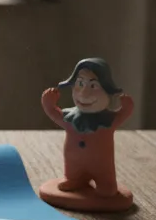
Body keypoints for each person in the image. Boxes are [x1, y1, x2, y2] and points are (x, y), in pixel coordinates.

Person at [41, 57, 134, 199]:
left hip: (102, 166)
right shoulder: (70, 118)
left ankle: (105, 183)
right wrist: (48, 104)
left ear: (107, 89)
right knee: (72, 175)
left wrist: (127, 107)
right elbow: (55, 114)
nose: (83, 94)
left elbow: (123, 114)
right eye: (80, 83)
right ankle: (73, 179)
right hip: (74, 164)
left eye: (93, 86)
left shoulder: (108, 121)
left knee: (107, 189)